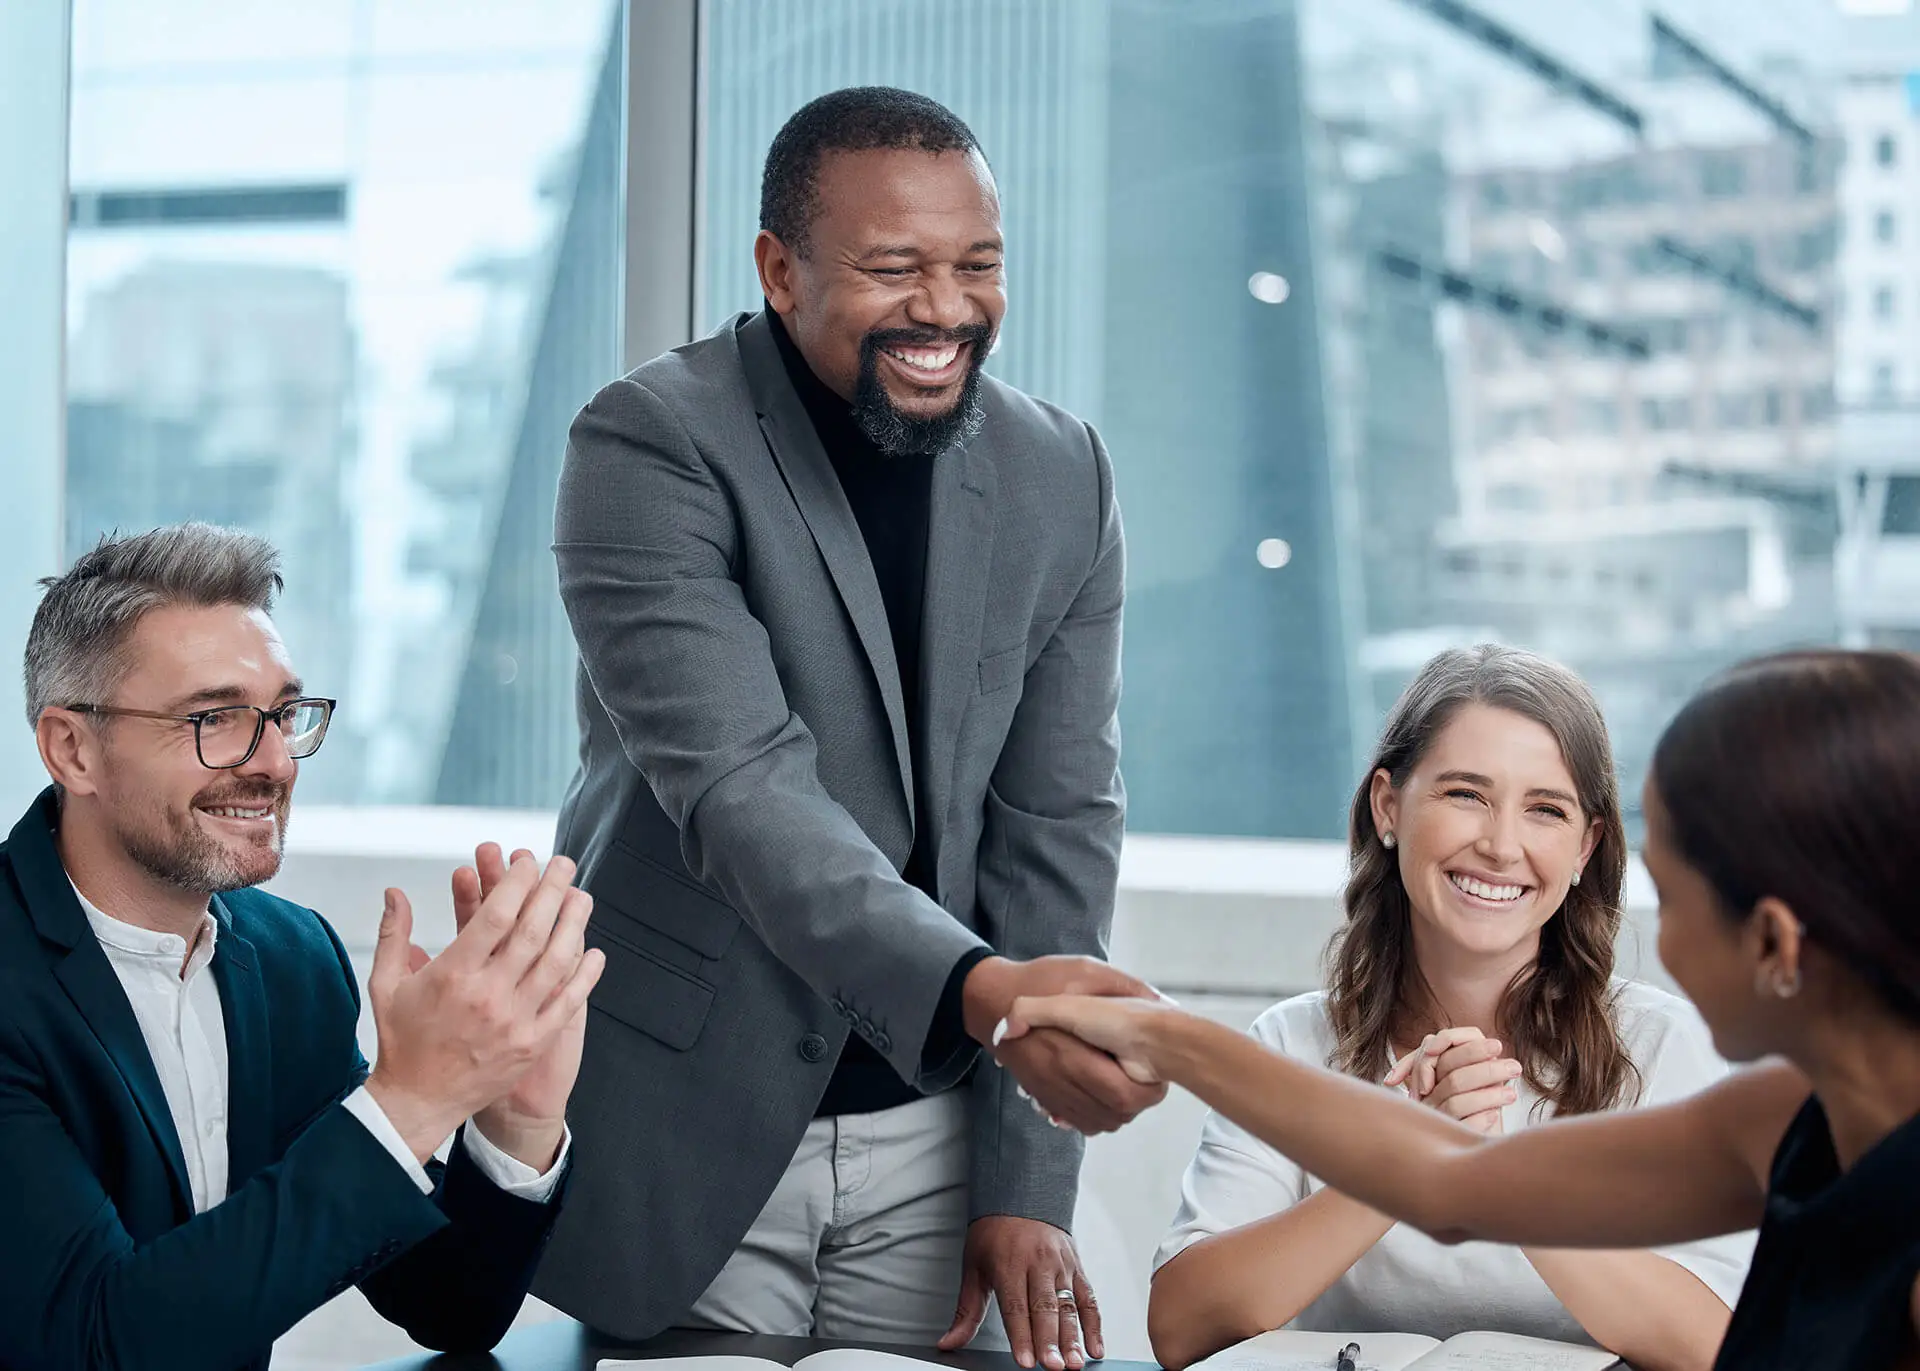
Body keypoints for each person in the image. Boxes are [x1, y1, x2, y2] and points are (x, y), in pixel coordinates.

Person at [536, 85, 1162, 1370]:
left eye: (978, 264)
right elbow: (744, 794)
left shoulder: (1064, 473)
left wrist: (1025, 1186)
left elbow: (1055, 834)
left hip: (944, 1134)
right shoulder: (647, 445)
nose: (945, 308)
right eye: (893, 269)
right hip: (694, 1122)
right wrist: (990, 999)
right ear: (780, 269)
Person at [1000, 647, 1920, 1371]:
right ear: (1388, 805)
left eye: (1672, 902)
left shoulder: (1731, 1088)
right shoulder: (1774, 1118)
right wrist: (1169, 1035)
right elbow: (1449, 1184)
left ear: (1776, 943)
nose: (1659, 943)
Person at [0, 524, 605, 1371]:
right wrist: (411, 1099)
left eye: (282, 713)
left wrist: (515, 1116)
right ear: (73, 748)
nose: (276, 761)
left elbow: (451, 1305)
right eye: (215, 718)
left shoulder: (291, 961)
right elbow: (98, 1343)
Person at [1147, 646, 1750, 1370]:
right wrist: (1402, 1161)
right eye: (1466, 794)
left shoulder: (1662, 1046)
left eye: (1545, 810)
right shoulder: (1293, 1043)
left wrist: (1489, 1177)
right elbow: (1182, 1325)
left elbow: (1720, 1344)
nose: (1500, 845)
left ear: (1587, 846)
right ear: (1388, 805)